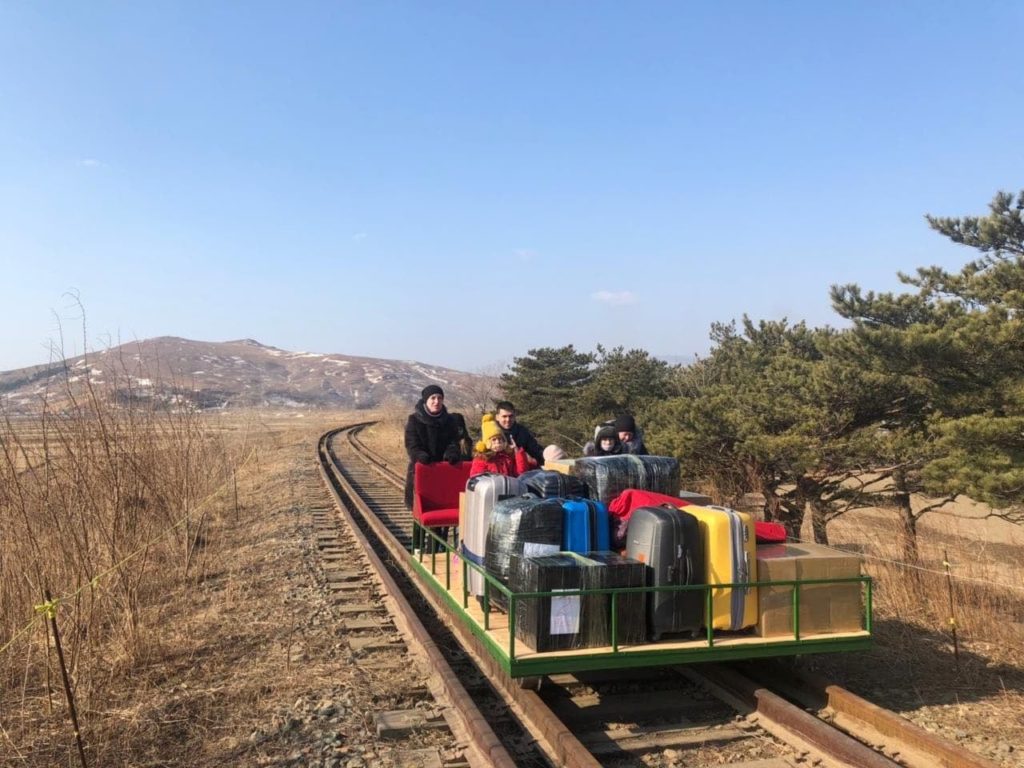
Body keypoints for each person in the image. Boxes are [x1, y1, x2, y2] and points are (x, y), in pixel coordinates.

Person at [403, 384, 470, 510]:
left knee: (444, 505)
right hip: (423, 469)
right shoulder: (414, 420)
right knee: (423, 510)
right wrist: (419, 455)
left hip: (443, 470)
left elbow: (453, 442)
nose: (436, 401)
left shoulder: (450, 420)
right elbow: (411, 445)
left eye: (440, 398)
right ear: (425, 400)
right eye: (433, 398)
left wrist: (452, 452)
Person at [494, 400, 545, 467]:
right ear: (497, 417)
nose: (508, 420)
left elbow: (535, 450)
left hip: (522, 471)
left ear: (515, 415)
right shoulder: (492, 433)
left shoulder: (522, 431)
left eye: (510, 416)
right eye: (504, 416)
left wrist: (546, 456)